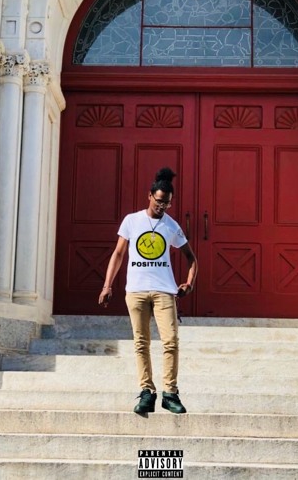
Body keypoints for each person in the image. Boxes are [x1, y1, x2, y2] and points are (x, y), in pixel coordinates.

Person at [98, 167, 198, 414]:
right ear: (150, 196)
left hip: (164, 291)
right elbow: (118, 253)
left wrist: (189, 283)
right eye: (159, 201)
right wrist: (107, 285)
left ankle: (170, 393)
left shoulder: (171, 226)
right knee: (141, 343)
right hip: (136, 291)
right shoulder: (132, 221)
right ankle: (147, 392)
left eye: (167, 203)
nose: (162, 207)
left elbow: (192, 258)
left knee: (171, 341)